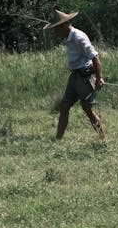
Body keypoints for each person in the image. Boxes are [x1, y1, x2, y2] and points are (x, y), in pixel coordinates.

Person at [44, 9, 106, 140]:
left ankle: (103, 139)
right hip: (74, 77)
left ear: (64, 26)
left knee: (87, 109)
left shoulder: (78, 37)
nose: (55, 32)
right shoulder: (67, 37)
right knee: (64, 106)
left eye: (56, 29)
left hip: (85, 77)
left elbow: (95, 56)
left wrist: (99, 78)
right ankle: (58, 139)